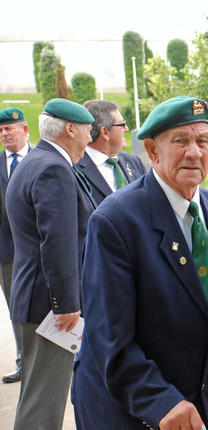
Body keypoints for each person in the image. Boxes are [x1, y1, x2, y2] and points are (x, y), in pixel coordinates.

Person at [71, 96, 208, 430]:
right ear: (153, 151)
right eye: (180, 141)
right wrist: (161, 401)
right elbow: (108, 337)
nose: (195, 152)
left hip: (199, 407)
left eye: (203, 141)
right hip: (132, 410)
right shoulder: (115, 223)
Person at [6, 98, 96, 430]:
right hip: (51, 307)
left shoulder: (34, 162)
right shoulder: (53, 168)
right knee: (43, 405)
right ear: (70, 129)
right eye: (87, 131)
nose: (89, 138)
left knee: (37, 396)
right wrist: (66, 304)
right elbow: (56, 243)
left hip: (36, 299)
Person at [0, 108, 31, 384]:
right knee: (17, 309)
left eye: (9, 129)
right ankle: (25, 363)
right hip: (8, 253)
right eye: (0, 131)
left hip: (43, 248)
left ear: (25, 130)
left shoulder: (43, 160)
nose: (4, 134)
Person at [76, 100, 146, 205]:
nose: (126, 129)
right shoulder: (75, 169)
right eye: (122, 124)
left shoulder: (133, 162)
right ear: (105, 132)